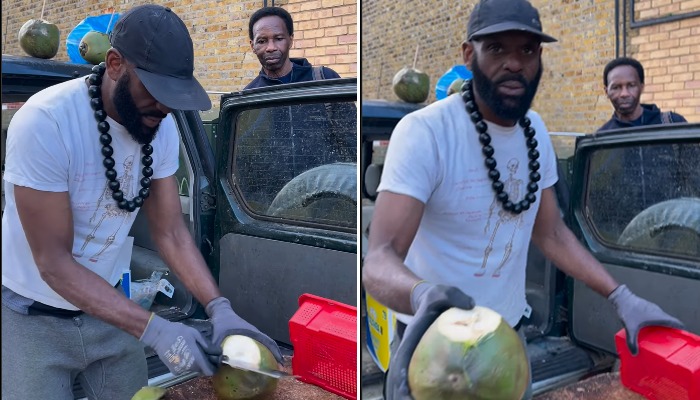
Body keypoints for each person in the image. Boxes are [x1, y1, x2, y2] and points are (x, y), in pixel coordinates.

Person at [361, 1, 685, 399]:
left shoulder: (535, 131)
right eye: (497, 48)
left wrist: (621, 297)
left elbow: (550, 232)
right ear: (469, 55)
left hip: (508, 343)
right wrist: (422, 293)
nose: (514, 63)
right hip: (433, 347)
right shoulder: (425, 132)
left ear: (540, 57)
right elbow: (378, 260)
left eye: (527, 50)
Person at [1, 5, 281, 400]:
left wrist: (218, 306)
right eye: (156, 92)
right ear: (114, 65)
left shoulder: (158, 127)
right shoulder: (46, 122)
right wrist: (155, 328)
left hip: (110, 309)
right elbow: (54, 264)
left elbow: (170, 231)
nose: (165, 108)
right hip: (33, 318)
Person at [245, 6, 341, 89]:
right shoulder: (248, 98)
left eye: (278, 39)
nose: (271, 47)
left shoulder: (326, 79)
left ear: (290, 40)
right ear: (253, 46)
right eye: (262, 41)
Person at [598, 56, 687, 132]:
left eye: (631, 85)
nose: (624, 94)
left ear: (641, 87)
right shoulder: (602, 139)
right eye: (616, 87)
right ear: (606, 91)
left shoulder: (673, 124)